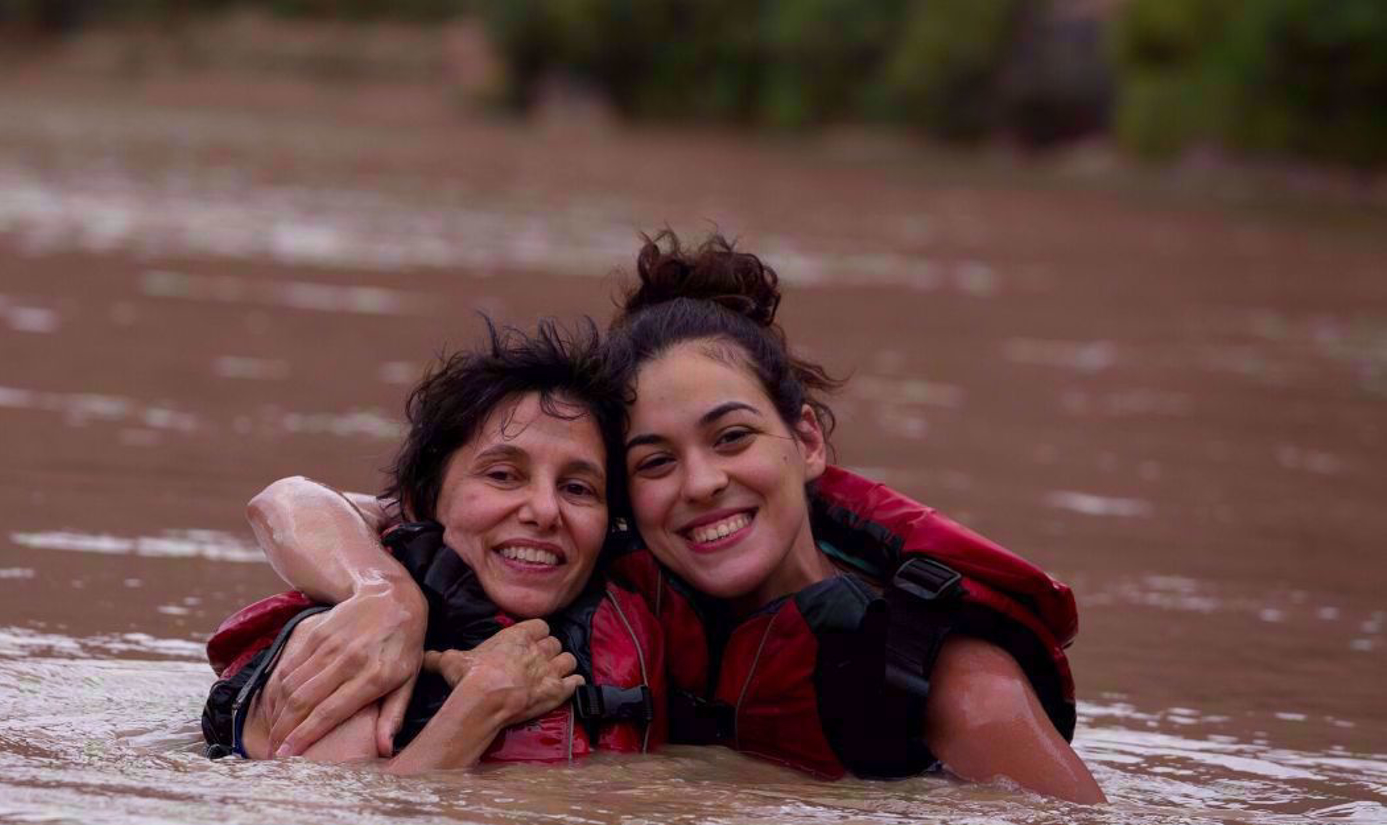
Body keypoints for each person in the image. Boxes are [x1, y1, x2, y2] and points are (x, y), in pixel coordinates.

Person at [242, 232, 1106, 803]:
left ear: (805, 440)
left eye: (731, 437)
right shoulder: (592, 556)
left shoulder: (938, 670)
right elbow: (296, 501)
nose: (699, 484)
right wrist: (384, 594)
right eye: (654, 460)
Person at [201, 319, 663, 772]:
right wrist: (481, 704)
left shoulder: (641, 615)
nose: (545, 510)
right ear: (423, 501)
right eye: (503, 475)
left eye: (578, 488)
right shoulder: (347, 643)